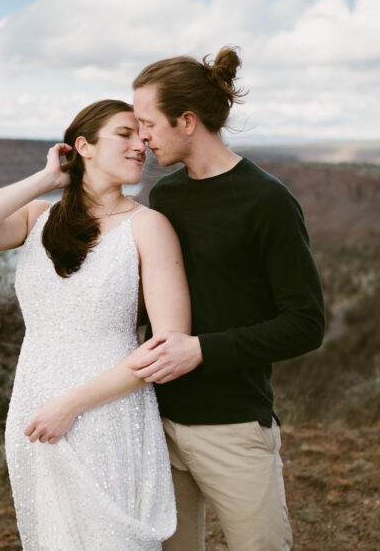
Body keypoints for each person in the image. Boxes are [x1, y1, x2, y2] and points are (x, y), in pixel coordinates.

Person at [0, 99, 189, 550]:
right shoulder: (38, 217)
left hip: (107, 412)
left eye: (142, 137)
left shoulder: (148, 226)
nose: (141, 146)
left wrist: (71, 405)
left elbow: (166, 346)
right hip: (34, 405)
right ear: (83, 146)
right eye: (124, 134)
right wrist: (47, 179)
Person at [129, 46, 325, 550]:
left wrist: (202, 350)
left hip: (234, 428)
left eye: (148, 123)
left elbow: (305, 322)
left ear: (187, 120)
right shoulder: (166, 195)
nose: (142, 137)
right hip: (159, 422)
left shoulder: (268, 201)